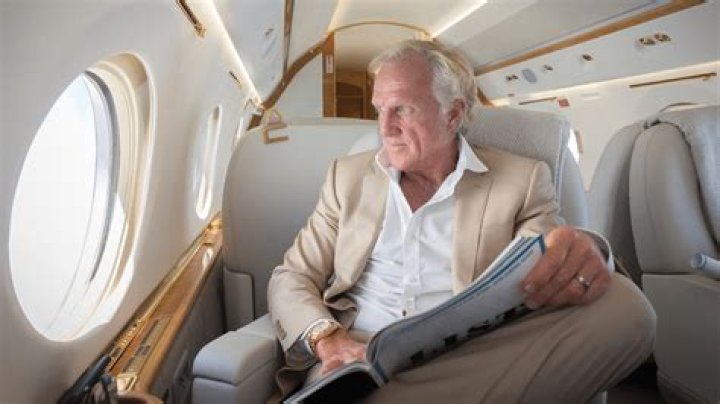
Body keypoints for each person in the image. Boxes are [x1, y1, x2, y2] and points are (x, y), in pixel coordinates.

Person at [268, 39, 655, 403]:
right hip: (357, 354)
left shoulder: (521, 180)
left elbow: (549, 259)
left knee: (627, 309)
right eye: (379, 110)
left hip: (469, 355)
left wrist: (585, 248)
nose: (384, 128)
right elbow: (292, 276)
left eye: (403, 109)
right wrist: (328, 339)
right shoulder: (347, 177)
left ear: (453, 114)